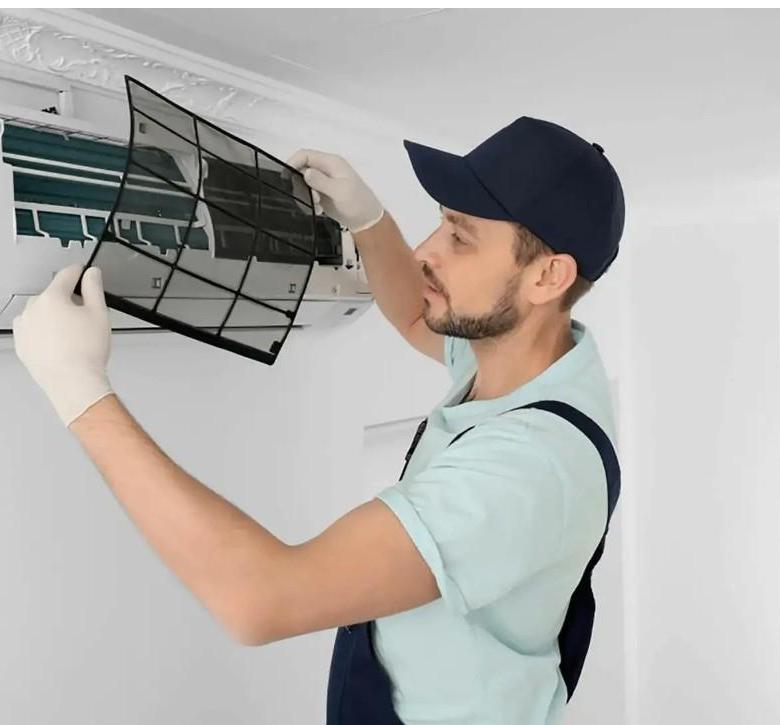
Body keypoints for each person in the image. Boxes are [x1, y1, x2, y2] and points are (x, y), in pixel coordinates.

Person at [13, 116, 623, 725]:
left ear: (548, 276)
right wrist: (369, 221)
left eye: (460, 238)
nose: (425, 252)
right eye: (441, 221)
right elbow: (417, 317)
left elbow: (260, 599)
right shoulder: (531, 356)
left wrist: (79, 390)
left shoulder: (526, 468)